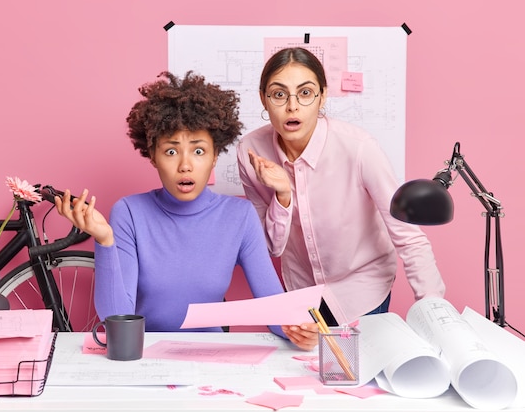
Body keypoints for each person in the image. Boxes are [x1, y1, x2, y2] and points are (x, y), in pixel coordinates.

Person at [55, 71, 318, 350]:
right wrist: (104, 241)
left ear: (215, 155)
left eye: (199, 151)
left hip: (212, 359)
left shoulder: (238, 216)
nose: (185, 165)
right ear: (152, 156)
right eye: (171, 151)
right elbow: (114, 321)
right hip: (146, 355)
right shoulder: (129, 213)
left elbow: (275, 310)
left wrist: (300, 330)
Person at [237, 48, 446, 326]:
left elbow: (407, 235)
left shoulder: (359, 149)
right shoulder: (250, 152)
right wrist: (282, 196)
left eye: (306, 93)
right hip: (302, 291)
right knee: (308, 368)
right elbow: (272, 246)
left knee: (360, 368)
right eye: (279, 94)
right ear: (263, 98)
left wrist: (435, 313)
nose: (292, 107)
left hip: (363, 288)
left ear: (322, 95)